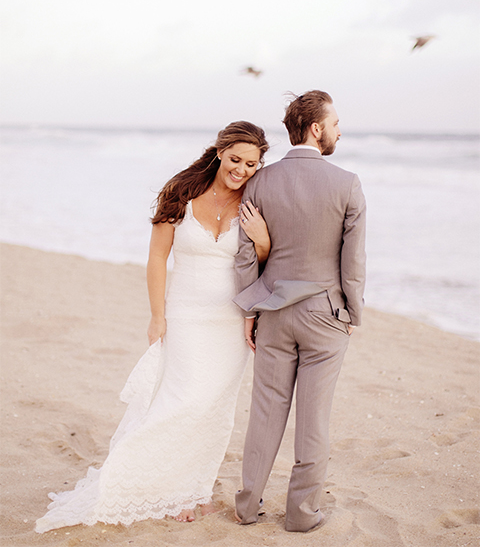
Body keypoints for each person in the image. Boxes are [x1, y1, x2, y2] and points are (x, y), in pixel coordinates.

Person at [36, 121, 270, 533]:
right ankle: (145, 481)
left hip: (231, 322)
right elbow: (157, 258)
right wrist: (157, 315)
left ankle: (190, 491)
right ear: (218, 152)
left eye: (252, 164)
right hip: (184, 315)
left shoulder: (257, 200)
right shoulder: (180, 192)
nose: (242, 170)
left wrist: (263, 239)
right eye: (235, 160)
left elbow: (264, 261)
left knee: (213, 408)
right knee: (181, 400)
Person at [234, 91, 366, 533]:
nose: (339, 130)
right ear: (316, 128)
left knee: (265, 412)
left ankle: (248, 505)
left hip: (272, 310)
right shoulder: (346, 183)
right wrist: (352, 313)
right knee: (314, 418)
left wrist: (250, 310)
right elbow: (354, 261)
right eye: (335, 122)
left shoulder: (260, 182)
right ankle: (301, 514)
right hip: (324, 314)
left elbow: (246, 255)